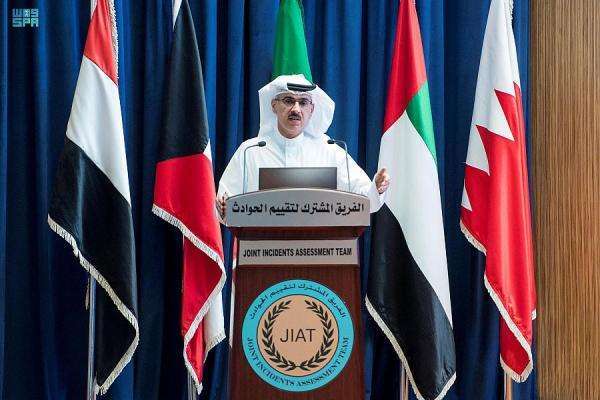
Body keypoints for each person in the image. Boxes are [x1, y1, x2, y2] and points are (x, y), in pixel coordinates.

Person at [216, 74, 390, 220]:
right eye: (288, 100)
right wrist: (223, 208)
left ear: (312, 109)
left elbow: (365, 201)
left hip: (320, 249)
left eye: (303, 102)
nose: (296, 109)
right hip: (259, 249)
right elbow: (225, 205)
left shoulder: (329, 150)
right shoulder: (250, 151)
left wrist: (376, 188)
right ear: (274, 106)